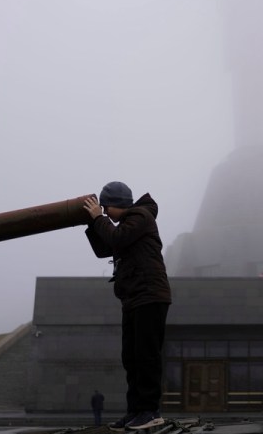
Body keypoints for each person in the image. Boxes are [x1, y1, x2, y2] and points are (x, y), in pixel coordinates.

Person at [83, 182, 172, 432]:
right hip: (134, 297)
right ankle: (136, 411)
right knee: (131, 358)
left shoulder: (140, 216)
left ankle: (150, 411)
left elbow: (116, 238)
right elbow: (104, 248)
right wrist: (92, 222)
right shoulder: (125, 224)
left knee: (146, 356)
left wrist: (99, 219)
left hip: (150, 295)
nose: (105, 211)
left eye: (106, 206)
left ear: (116, 203)